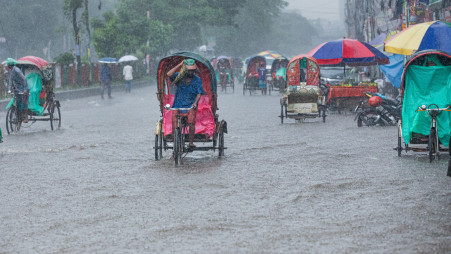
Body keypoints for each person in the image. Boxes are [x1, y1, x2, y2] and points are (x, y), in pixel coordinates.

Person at [167, 59, 205, 148]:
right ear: (185, 69)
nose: (191, 72)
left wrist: (195, 103)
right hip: (178, 104)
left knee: (191, 122)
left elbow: (199, 93)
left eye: (192, 70)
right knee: (174, 123)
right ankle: (175, 146)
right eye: (189, 70)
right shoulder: (179, 76)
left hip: (190, 105)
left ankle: (191, 142)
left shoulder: (197, 80)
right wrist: (180, 65)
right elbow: (169, 74)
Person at [6, 58, 29, 123]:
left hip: (24, 88)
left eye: (8, 65)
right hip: (18, 88)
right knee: (17, 102)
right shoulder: (11, 71)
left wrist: (25, 89)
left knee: (24, 102)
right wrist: (9, 90)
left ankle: (26, 117)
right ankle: (18, 115)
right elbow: (10, 81)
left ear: (10, 65)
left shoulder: (17, 70)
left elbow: (24, 79)